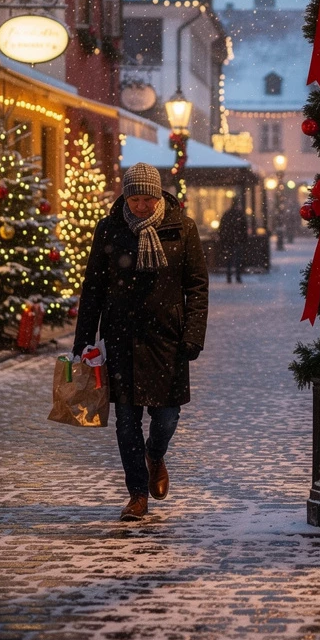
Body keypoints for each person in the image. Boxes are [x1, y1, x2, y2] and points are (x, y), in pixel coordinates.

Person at [72, 163, 208, 522]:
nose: (142, 207)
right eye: (135, 199)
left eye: (148, 199)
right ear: (125, 196)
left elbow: (196, 286)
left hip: (168, 340)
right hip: (122, 337)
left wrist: (193, 334)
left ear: (159, 195)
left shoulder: (182, 227)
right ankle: (136, 493)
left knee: (167, 416)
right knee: (126, 422)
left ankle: (155, 454)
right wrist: (84, 339)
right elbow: (94, 289)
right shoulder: (110, 229)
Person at [217, 199, 248, 283]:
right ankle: (237, 276)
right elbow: (244, 228)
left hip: (229, 240)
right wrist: (243, 238)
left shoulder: (227, 214)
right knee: (237, 259)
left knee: (229, 259)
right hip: (237, 240)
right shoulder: (240, 214)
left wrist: (223, 238)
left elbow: (222, 228)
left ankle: (229, 276)